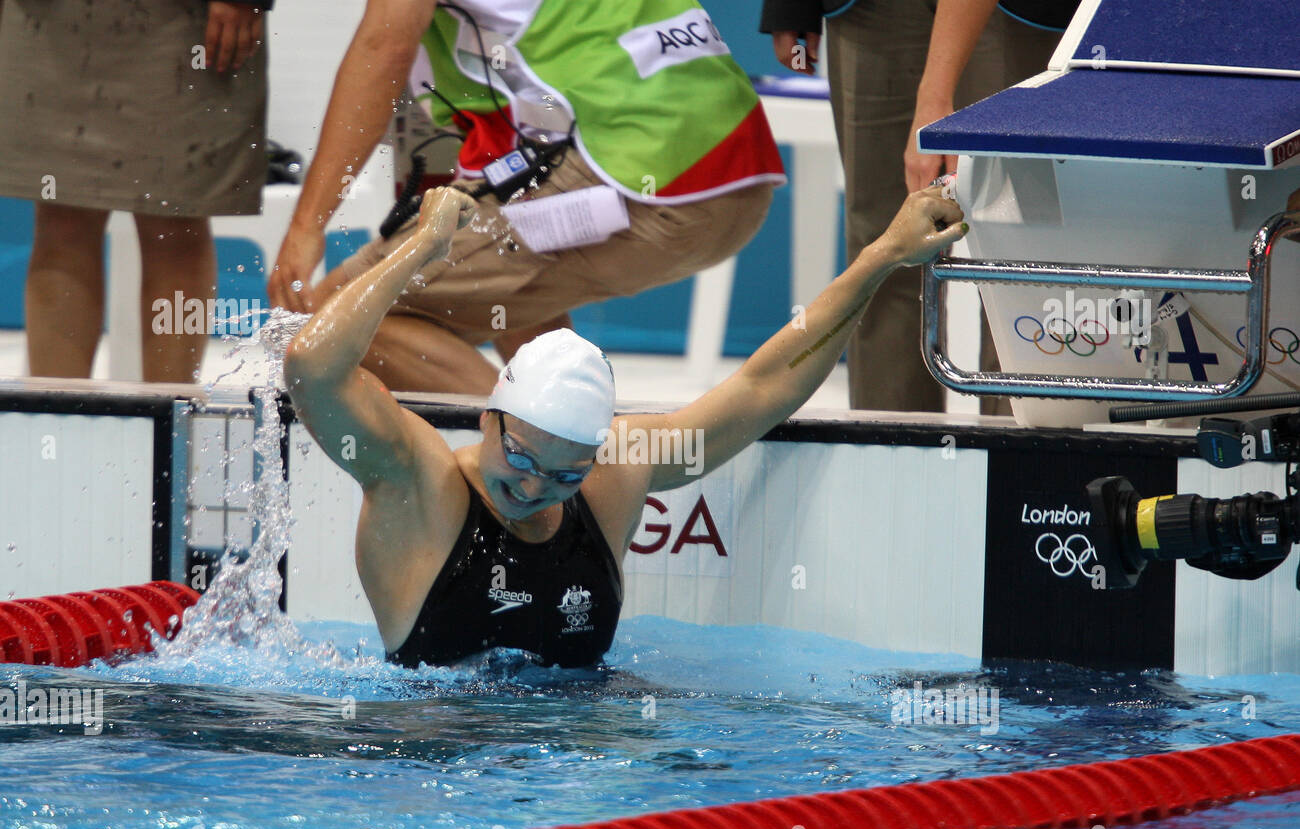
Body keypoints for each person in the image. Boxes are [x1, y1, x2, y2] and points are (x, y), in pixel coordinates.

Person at [284, 183, 965, 668]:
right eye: (519, 459)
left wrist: (881, 258)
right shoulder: (419, 486)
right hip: (438, 781)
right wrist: (422, 249)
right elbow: (311, 366)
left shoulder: (613, 477)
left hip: (587, 782)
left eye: (564, 474)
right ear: (490, 417)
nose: (533, 487)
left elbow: (763, 385)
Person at [270, 0, 785, 396]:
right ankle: (569, 452)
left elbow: (385, 45)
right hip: (737, 168)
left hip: (636, 169)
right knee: (503, 294)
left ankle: (540, 475)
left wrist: (306, 224)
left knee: (334, 322)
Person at [760, 0, 1087, 414]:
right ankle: (891, 453)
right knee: (882, 246)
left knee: (1017, 248)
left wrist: (935, 94)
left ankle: (1019, 461)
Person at [0, 0, 297, 382]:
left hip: (187, 1)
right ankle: (58, 419)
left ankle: (172, 419)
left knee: (176, 221)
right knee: (61, 219)